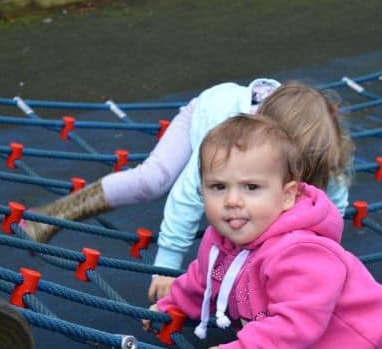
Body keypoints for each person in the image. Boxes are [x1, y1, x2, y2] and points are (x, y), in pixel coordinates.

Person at [143, 114, 382, 349]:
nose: (233, 200)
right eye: (218, 186)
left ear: (287, 195)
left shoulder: (300, 252)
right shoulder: (220, 240)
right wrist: (173, 305)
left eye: (251, 187)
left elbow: (296, 322)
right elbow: (204, 280)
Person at [18, 80, 354, 297]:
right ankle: (56, 213)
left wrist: (319, 256)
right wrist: (166, 268)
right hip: (205, 115)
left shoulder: (324, 160)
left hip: (271, 131)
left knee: (271, 219)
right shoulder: (228, 146)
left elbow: (329, 210)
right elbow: (186, 197)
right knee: (151, 181)